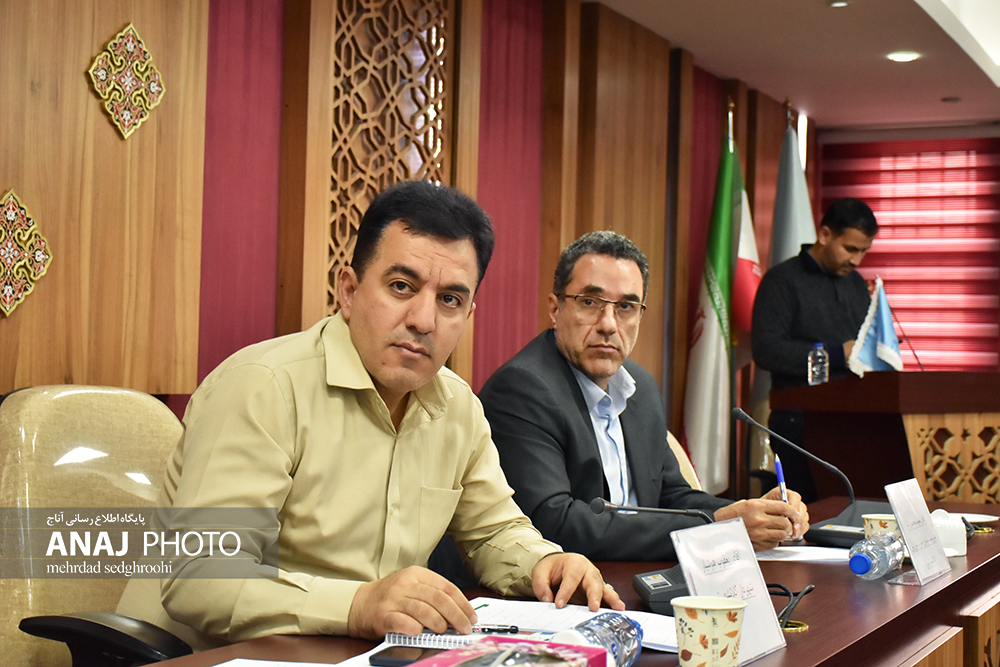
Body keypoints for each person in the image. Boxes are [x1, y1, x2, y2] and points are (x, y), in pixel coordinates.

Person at [117, 182, 622, 650]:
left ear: (468, 316)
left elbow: (492, 532)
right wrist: (358, 605)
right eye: (401, 286)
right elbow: (201, 577)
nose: (423, 320)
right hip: (207, 656)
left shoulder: (458, 408)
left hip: (362, 655)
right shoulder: (264, 387)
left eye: (450, 300)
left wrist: (546, 562)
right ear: (349, 290)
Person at [478, 231, 809, 562]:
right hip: (574, 582)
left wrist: (752, 514)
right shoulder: (523, 389)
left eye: (626, 306)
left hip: (647, 572)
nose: (609, 324)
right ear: (555, 309)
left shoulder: (641, 386)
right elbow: (555, 524)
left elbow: (672, 496)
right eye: (590, 302)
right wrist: (717, 526)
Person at [751, 197, 879, 502]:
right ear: (824, 235)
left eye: (863, 251)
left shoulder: (856, 284)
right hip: (798, 424)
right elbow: (767, 350)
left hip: (854, 421)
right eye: (850, 249)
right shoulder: (782, 281)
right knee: (809, 512)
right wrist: (837, 354)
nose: (857, 260)